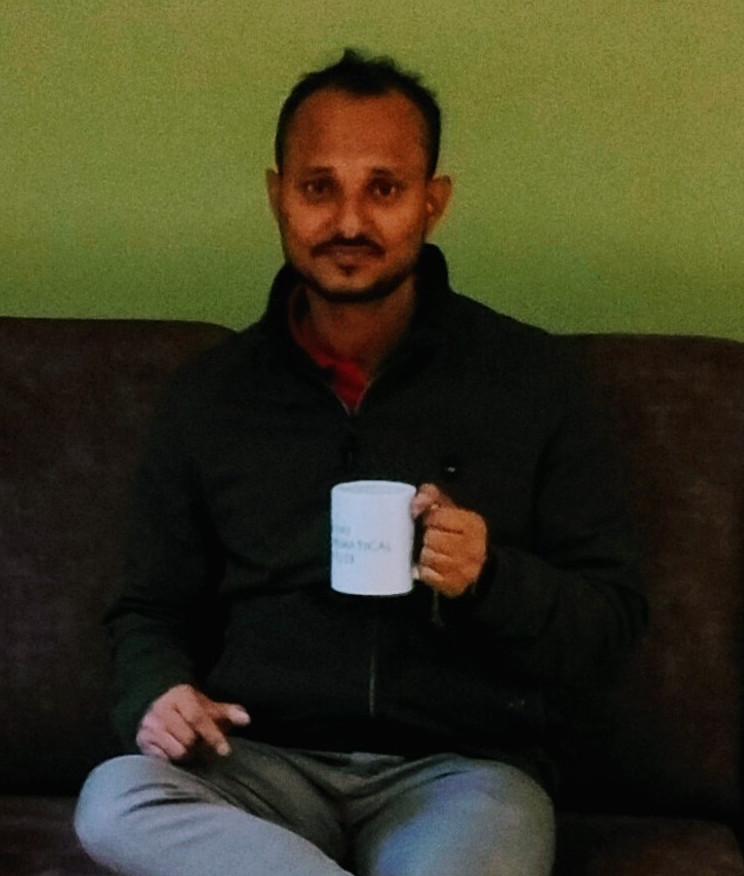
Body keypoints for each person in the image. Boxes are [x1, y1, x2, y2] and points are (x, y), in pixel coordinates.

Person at [74, 49, 647, 876]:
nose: (349, 222)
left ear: (433, 201)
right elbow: (148, 608)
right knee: (115, 799)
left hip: (461, 778)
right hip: (255, 764)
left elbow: (611, 623)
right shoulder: (210, 395)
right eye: (319, 187)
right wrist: (158, 693)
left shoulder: (533, 380)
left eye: (384, 189)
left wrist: (489, 577)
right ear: (278, 194)